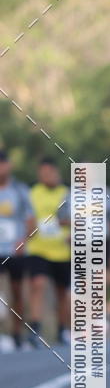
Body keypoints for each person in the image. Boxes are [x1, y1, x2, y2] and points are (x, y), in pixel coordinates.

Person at [26, 157, 71, 346]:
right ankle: (35, 329)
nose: (46, 177)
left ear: (56, 173)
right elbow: (27, 219)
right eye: (42, 174)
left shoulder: (67, 194)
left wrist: (59, 224)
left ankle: (62, 330)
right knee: (39, 284)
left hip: (62, 251)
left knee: (62, 293)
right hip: (38, 249)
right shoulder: (32, 193)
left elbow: (76, 219)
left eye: (49, 173)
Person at [0, 149, 35, 349]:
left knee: (16, 292)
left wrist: (24, 240)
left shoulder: (20, 190)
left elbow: (31, 220)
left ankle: (17, 334)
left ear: (8, 166)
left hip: (15, 250)